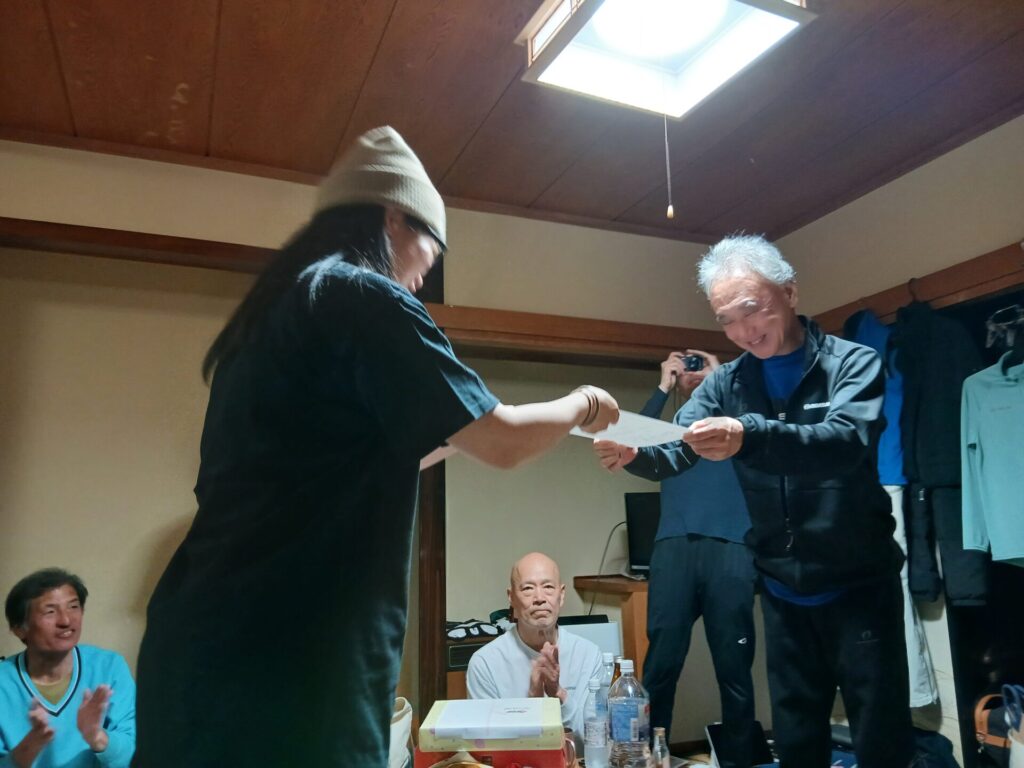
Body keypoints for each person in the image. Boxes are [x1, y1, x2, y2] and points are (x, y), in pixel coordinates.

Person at [132, 126, 619, 767]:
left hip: (199, 642)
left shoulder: (271, 318)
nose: (422, 276)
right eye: (429, 251)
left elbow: (352, 462)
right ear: (393, 215)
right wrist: (585, 402)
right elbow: (503, 442)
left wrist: (453, 429)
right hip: (294, 652)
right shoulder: (364, 295)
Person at [595, 235, 912, 768]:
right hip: (784, 595)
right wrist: (633, 453)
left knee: (882, 742)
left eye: (752, 309)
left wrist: (749, 434)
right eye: (727, 321)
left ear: (789, 291)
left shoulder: (853, 362)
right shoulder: (727, 382)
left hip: (860, 588)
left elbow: (844, 442)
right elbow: (676, 447)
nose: (744, 331)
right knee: (796, 742)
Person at [639, 351, 758, 768]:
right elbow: (633, 445)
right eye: (687, 367)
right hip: (674, 548)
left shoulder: (737, 419)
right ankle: (649, 759)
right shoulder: (674, 427)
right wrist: (663, 386)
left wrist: (720, 376)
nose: (693, 372)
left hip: (732, 547)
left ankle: (740, 761)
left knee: (734, 668)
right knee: (661, 665)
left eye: (701, 364)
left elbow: (764, 431)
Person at [0, 568, 135, 767]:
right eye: (50, 611)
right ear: (19, 628)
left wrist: (97, 736)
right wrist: (30, 745)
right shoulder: (4, 682)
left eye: (73, 607)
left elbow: (133, 755)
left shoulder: (109, 667)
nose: (66, 620)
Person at [465, 553, 603, 736]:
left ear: (561, 595)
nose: (539, 598)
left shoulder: (589, 655)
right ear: (511, 597)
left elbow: (595, 737)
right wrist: (532, 704)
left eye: (548, 587)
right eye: (528, 588)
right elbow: (487, 743)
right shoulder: (485, 664)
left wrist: (558, 694)